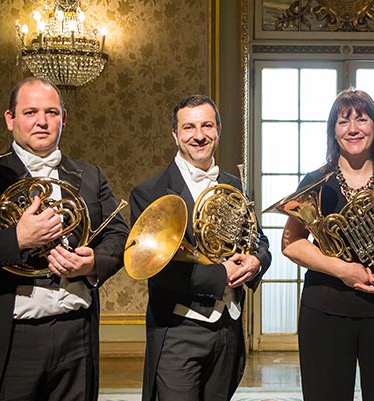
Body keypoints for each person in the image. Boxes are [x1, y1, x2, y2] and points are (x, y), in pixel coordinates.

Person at [0, 77, 129, 401]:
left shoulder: (91, 175)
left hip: (76, 332)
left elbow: (119, 235)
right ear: (10, 119)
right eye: (30, 112)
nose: (42, 121)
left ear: (64, 119)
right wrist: (18, 238)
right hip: (12, 338)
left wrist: (93, 263)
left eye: (51, 112)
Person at [280, 89, 374, 401]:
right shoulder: (316, 181)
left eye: (362, 119)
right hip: (325, 309)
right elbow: (291, 243)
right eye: (343, 121)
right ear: (333, 131)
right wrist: (341, 269)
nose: (353, 129)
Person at [131, 95, 271, 401]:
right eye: (189, 127)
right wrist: (222, 275)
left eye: (207, 126)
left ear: (218, 129)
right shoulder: (150, 192)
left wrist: (257, 262)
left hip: (228, 327)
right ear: (175, 134)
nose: (199, 135)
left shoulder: (233, 184)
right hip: (178, 329)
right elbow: (157, 270)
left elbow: (257, 239)